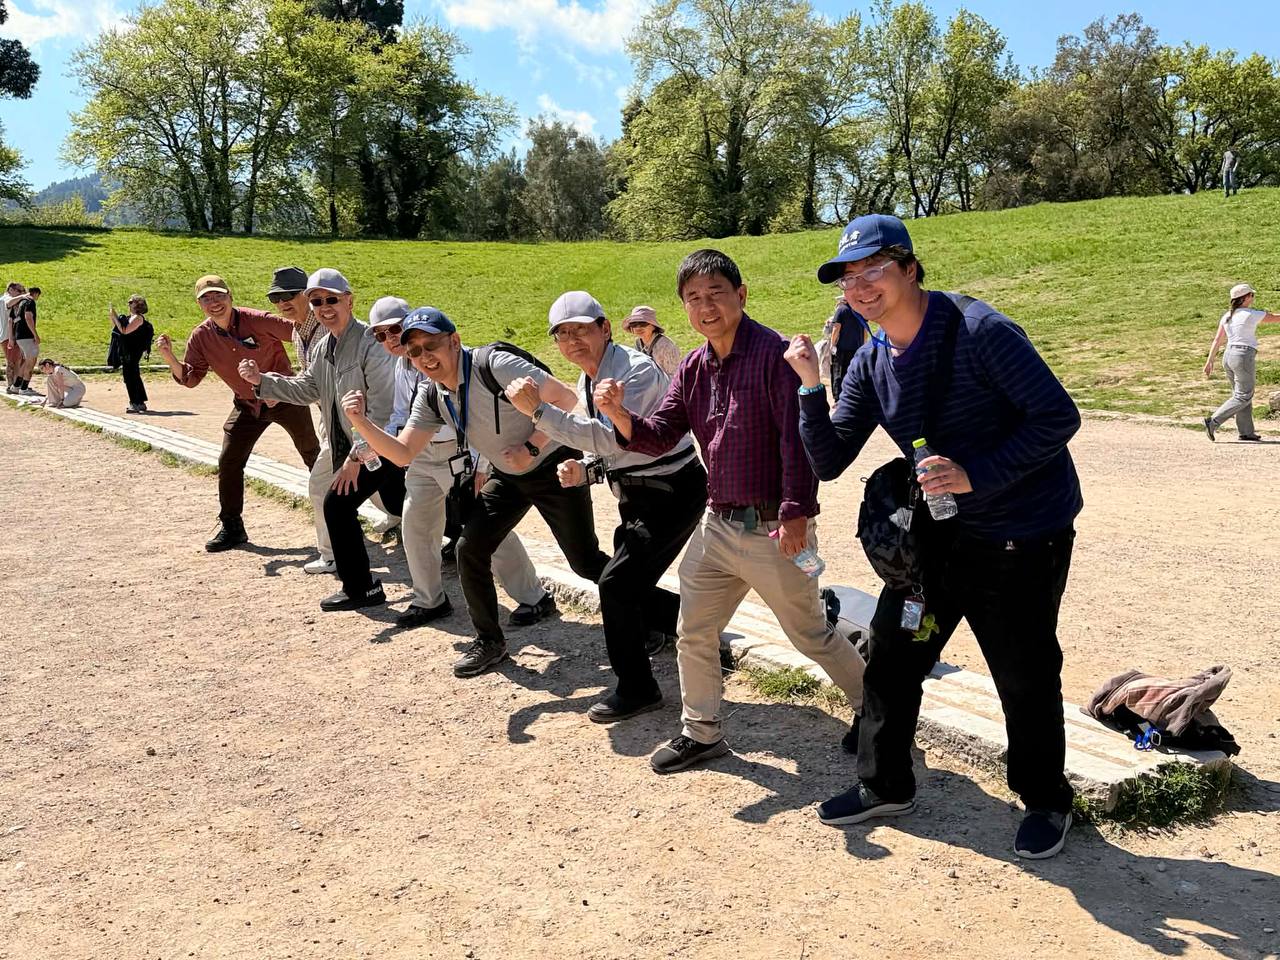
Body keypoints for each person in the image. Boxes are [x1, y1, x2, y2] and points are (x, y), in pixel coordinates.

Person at [789, 213, 1083, 860]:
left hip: (1021, 535)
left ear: (910, 268)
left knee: (1024, 673)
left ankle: (1046, 800)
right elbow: (830, 459)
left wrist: (977, 475)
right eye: (847, 277)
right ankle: (884, 784)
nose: (860, 286)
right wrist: (811, 387)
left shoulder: (982, 333)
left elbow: (1059, 417)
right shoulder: (871, 359)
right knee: (893, 657)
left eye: (874, 270)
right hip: (939, 539)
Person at [592, 250, 867, 774]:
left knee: (811, 634)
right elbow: (659, 435)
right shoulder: (693, 367)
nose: (705, 305)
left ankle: (874, 710)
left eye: (715, 292)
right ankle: (702, 732)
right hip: (717, 526)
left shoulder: (776, 357)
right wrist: (618, 415)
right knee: (693, 631)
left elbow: (800, 442)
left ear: (741, 295)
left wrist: (795, 516)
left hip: (774, 528)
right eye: (693, 298)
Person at [340, 310, 599, 678]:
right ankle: (490, 642)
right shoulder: (430, 393)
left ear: (455, 341)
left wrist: (532, 446)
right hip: (508, 475)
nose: (425, 356)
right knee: (469, 548)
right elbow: (402, 453)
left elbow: (567, 398)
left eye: (432, 345)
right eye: (415, 351)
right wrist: (360, 422)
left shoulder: (494, 364)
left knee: (586, 562)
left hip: (553, 464)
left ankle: (656, 620)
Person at [504, 291, 707, 722]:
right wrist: (589, 472)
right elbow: (612, 450)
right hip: (641, 492)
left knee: (616, 584)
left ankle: (638, 689)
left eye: (581, 329)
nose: (572, 340)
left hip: (672, 489)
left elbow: (617, 437)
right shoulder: (591, 376)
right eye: (563, 333)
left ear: (606, 328)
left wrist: (539, 412)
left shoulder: (633, 371)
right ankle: (688, 634)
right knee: (626, 577)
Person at [358, 305, 550, 629]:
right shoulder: (402, 366)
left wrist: (482, 463)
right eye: (380, 334)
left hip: (455, 452)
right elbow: (400, 414)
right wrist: (379, 438)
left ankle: (534, 596)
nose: (388, 339)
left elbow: (478, 417)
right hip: (421, 455)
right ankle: (429, 600)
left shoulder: (453, 361)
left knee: (487, 526)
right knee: (415, 525)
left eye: (393, 330)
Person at [241, 268, 405, 613]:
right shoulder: (323, 347)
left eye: (332, 299)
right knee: (392, 502)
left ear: (349, 300)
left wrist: (354, 458)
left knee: (342, 504)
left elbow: (383, 411)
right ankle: (363, 586)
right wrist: (262, 381)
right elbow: (308, 388)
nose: (325, 307)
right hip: (355, 445)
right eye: (317, 301)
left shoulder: (369, 344)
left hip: (388, 444)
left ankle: (363, 588)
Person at [156, 274, 321, 552]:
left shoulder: (257, 319)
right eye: (206, 298)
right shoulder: (201, 336)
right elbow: (191, 378)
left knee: (313, 454)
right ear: (199, 304)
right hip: (246, 405)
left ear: (230, 296)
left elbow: (300, 329)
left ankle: (339, 513)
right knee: (229, 461)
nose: (214, 302)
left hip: (285, 397)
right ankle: (232, 527)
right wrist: (169, 357)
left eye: (219, 295)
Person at [1203, 282, 1280, 442]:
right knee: (1244, 395)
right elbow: (1275, 318)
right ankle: (1213, 421)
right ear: (1245, 298)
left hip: (1228, 356)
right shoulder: (1251, 314)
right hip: (1242, 356)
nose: (1253, 297)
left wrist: (1210, 360)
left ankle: (1246, 432)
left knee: (1240, 395)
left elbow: (1218, 340)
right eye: (1252, 295)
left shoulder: (1227, 316)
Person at [111, 295, 153, 412]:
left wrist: (115, 319)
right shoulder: (132, 317)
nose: (128, 304)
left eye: (131, 302)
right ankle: (139, 402)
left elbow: (124, 331)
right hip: (129, 350)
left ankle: (135, 402)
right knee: (132, 375)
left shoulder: (137, 318)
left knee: (130, 376)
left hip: (133, 351)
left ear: (137, 305)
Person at [623, 305, 681, 377]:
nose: (638, 328)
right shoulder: (638, 343)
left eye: (643, 323)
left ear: (653, 326)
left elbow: (674, 376)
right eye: (634, 324)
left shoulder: (666, 346)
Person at [828, 297, 867, 400]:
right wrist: (864, 345)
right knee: (853, 372)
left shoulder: (841, 310)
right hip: (856, 347)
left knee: (838, 373)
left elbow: (836, 328)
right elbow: (865, 330)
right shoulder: (859, 310)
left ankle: (838, 398)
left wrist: (832, 344)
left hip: (842, 348)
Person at [8, 286, 41, 395]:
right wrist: (35, 334)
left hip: (19, 336)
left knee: (27, 360)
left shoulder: (21, 303)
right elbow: (28, 317)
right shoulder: (30, 302)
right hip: (27, 336)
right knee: (31, 361)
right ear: (36, 294)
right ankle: (24, 388)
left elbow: (13, 320)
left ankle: (16, 386)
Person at [2, 282, 25, 393]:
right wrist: (23, 296)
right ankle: (11, 385)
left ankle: (16, 384)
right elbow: (9, 303)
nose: (21, 293)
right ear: (11, 289)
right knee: (12, 361)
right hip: (8, 336)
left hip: (11, 335)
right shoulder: (5, 298)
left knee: (18, 360)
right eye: (19, 291)